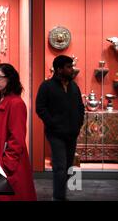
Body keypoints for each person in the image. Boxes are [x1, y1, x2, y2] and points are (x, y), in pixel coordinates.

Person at [0, 63, 37, 201]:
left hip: (9, 166)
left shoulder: (16, 103)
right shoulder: (0, 100)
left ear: (9, 79)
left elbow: (17, 139)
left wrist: (6, 165)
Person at [36, 55, 85, 201]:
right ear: (59, 69)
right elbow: (40, 108)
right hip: (55, 133)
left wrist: (79, 122)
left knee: (69, 167)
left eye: (71, 66)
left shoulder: (74, 86)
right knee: (60, 166)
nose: (72, 70)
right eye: (68, 67)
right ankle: (58, 197)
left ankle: (59, 194)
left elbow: (80, 106)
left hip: (72, 133)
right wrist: (52, 123)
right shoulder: (46, 86)